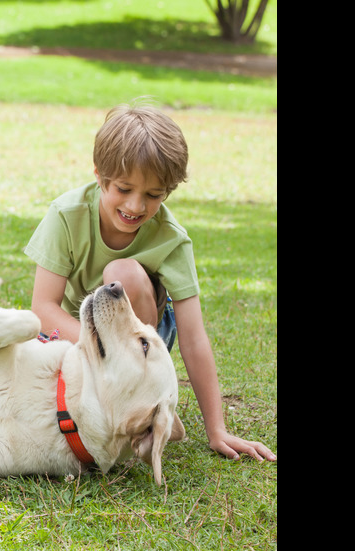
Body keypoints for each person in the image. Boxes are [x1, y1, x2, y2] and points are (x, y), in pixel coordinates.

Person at [24, 99, 276, 463]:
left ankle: (135, 385)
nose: (136, 206)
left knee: (121, 274)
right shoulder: (66, 215)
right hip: (82, 332)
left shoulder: (171, 238)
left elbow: (193, 336)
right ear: (99, 175)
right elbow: (43, 307)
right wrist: (98, 351)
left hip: (144, 339)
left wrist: (216, 429)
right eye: (124, 189)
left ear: (168, 192)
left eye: (153, 195)